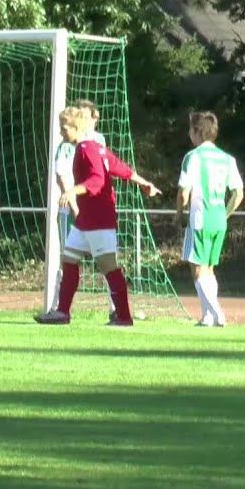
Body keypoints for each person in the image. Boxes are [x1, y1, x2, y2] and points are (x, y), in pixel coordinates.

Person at [36, 107, 160, 326]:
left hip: (99, 219)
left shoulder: (85, 149)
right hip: (86, 220)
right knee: (69, 260)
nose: (61, 131)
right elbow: (120, 168)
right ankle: (62, 312)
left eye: (64, 127)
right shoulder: (96, 147)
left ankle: (123, 317)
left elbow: (97, 180)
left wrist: (73, 190)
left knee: (108, 266)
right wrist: (145, 183)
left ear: (75, 128)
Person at [176, 111, 244, 327]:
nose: (189, 134)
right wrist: (225, 213)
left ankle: (216, 312)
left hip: (200, 218)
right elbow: (239, 193)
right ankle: (207, 316)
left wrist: (179, 214)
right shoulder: (227, 158)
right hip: (218, 219)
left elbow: (183, 192)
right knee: (208, 268)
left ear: (197, 132)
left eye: (190, 129)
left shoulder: (193, 157)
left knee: (196, 267)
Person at [50, 98, 115, 319]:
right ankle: (59, 308)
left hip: (95, 214)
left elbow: (102, 176)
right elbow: (61, 176)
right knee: (67, 259)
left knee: (106, 261)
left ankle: (116, 310)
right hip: (70, 211)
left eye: (90, 116)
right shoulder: (64, 146)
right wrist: (74, 205)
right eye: (83, 115)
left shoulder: (98, 142)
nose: (88, 120)